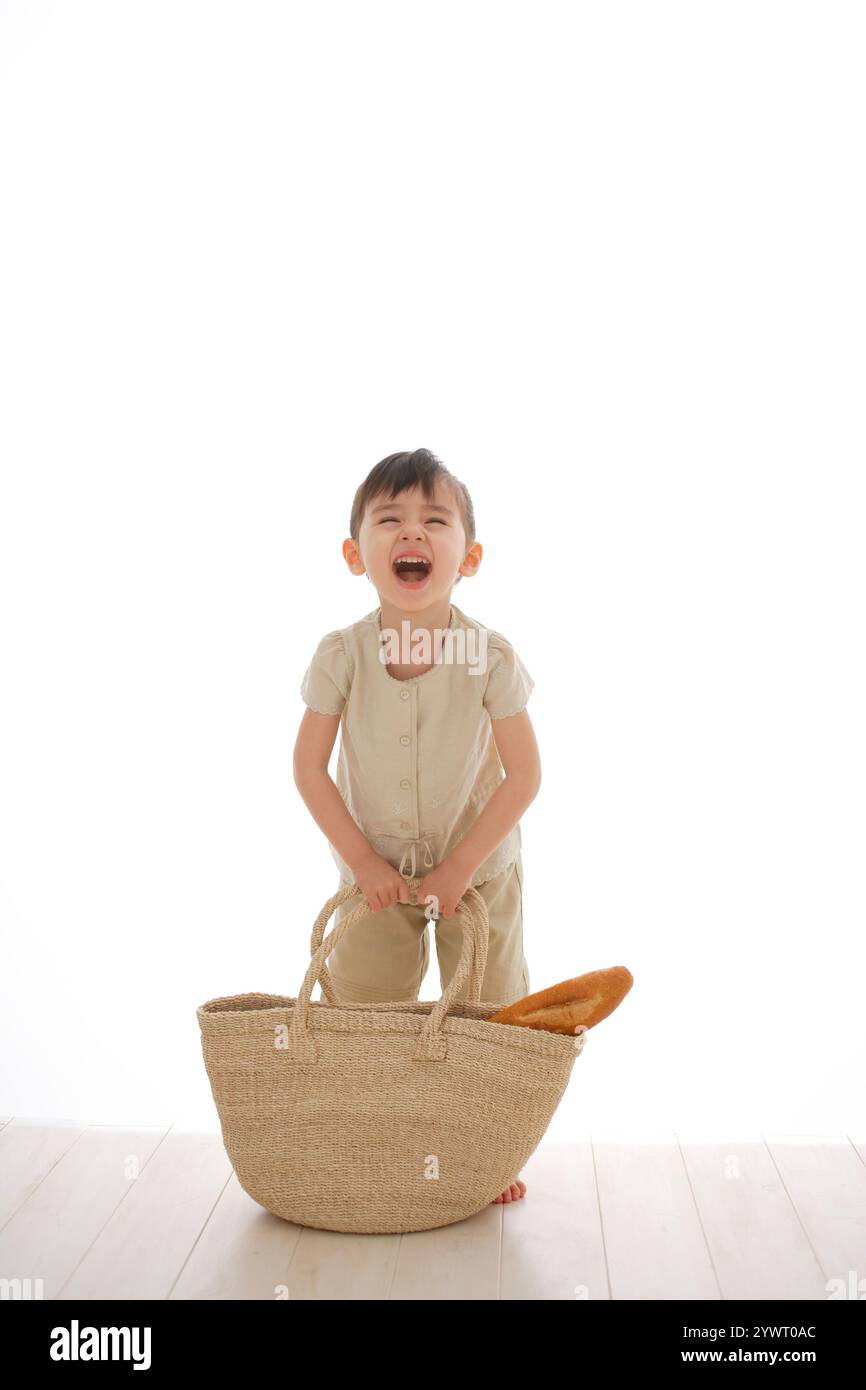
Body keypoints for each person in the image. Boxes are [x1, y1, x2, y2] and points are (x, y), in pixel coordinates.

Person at [293, 448, 541, 1205]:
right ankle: (375, 1143)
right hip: (373, 880)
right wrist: (364, 861)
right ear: (354, 553)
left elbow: (525, 776)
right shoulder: (343, 655)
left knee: (486, 1014)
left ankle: (480, 1155)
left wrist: (462, 866)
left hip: (479, 876)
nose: (413, 533)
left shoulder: (491, 656)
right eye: (390, 519)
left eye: (435, 520)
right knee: (366, 1015)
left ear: (467, 555)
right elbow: (308, 769)